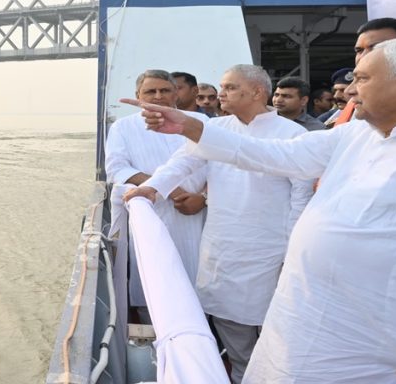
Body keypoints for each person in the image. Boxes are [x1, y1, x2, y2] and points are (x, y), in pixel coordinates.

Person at [124, 38, 396, 384]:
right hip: (309, 321)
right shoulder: (357, 134)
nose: (348, 91)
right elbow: (272, 154)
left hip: (388, 340)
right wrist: (190, 127)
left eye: (362, 79)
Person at [133, 65, 314, 384]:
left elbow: (301, 200)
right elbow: (184, 162)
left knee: (283, 331)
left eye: (230, 87)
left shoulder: (292, 135)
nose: (221, 94)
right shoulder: (215, 130)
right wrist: (151, 188)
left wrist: (295, 249)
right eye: (221, 87)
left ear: (257, 92)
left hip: (273, 249)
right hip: (223, 246)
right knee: (234, 332)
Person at [105, 70, 208, 317]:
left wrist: (203, 198)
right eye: (151, 91)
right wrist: (167, 188)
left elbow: (222, 168)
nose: (158, 96)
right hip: (152, 213)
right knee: (154, 276)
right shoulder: (123, 127)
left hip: (200, 213)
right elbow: (117, 169)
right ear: (138, 95)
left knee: (201, 279)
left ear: (176, 93)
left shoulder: (199, 123)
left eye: (165, 90)